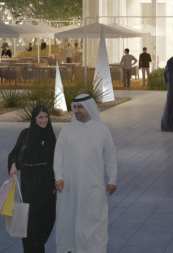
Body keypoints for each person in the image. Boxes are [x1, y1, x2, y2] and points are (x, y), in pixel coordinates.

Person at [53, 95, 117, 253]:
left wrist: (112, 179)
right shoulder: (67, 130)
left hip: (93, 187)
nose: (76, 111)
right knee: (69, 221)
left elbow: (111, 157)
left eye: (80, 107)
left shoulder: (102, 130)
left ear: (89, 108)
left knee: (95, 221)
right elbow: (58, 155)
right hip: (69, 187)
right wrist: (58, 177)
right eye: (74, 107)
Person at [8, 106, 58, 253]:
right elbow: (15, 154)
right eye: (40, 117)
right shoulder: (26, 134)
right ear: (34, 119)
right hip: (30, 185)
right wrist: (13, 165)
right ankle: (33, 249)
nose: (43, 120)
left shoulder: (50, 136)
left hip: (47, 185)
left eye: (46, 117)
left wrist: (56, 179)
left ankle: (38, 245)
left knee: (47, 218)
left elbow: (56, 160)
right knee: (30, 221)